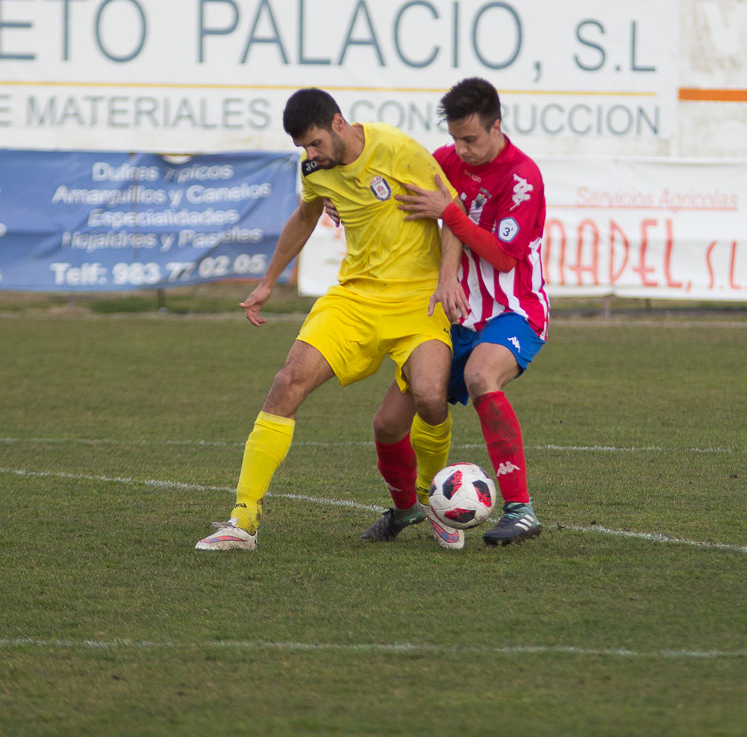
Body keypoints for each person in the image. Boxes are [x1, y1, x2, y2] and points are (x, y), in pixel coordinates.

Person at [196, 88, 463, 551]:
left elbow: (451, 212)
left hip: (418, 302)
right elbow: (305, 216)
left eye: (315, 143)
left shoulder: (397, 150)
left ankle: (431, 500)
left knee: (430, 397)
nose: (310, 154)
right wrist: (267, 283)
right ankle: (243, 520)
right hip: (355, 299)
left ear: (339, 123)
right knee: (286, 382)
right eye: (303, 148)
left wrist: (447, 279)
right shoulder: (316, 170)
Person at [395, 77, 550, 548]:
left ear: (496, 126)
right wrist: (339, 204)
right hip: (455, 316)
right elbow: (395, 189)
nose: (460, 150)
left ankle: (520, 509)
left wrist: (452, 213)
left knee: (484, 376)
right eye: (455, 138)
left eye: (471, 139)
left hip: (513, 310)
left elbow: (504, 256)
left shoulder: (523, 178)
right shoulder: (445, 161)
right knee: (390, 418)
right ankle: (407, 509)